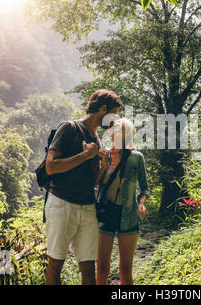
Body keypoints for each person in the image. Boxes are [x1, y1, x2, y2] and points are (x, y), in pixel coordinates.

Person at [44, 89, 122, 285]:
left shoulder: (96, 138)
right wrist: (85, 156)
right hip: (61, 203)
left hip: (87, 206)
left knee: (88, 267)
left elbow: (92, 182)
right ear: (102, 109)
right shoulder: (69, 128)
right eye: (113, 113)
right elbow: (51, 166)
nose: (114, 120)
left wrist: (103, 167)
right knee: (55, 264)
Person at [96, 118, 150, 285]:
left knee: (125, 269)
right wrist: (103, 165)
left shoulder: (136, 158)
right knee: (102, 268)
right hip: (105, 216)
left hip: (128, 217)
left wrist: (141, 203)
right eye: (113, 132)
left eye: (119, 132)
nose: (114, 135)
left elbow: (144, 188)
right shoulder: (104, 154)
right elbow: (95, 184)